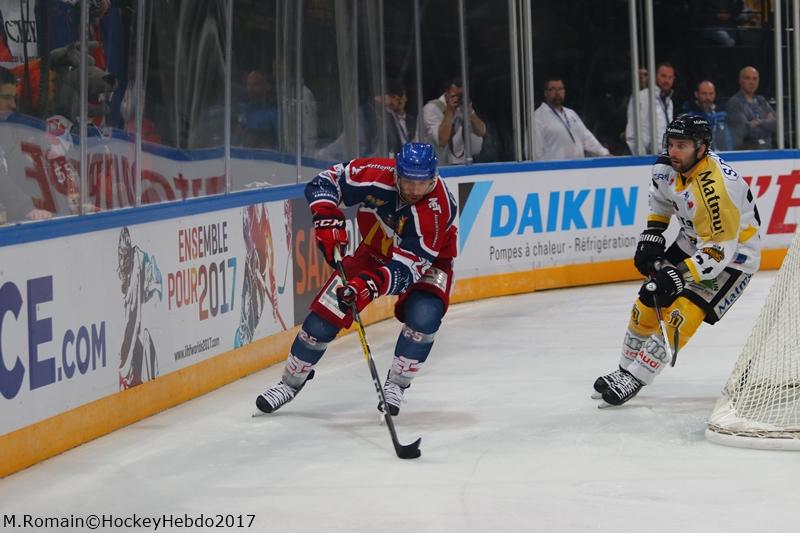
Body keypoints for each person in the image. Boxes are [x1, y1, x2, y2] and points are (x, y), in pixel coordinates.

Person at [255, 142, 457, 416]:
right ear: (397, 173)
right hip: (373, 252)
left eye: (421, 184)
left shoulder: (436, 210)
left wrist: (368, 287)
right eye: (408, 181)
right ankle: (290, 383)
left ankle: (397, 384)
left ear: (433, 179)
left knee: (424, 317)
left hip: (428, 263)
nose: (413, 190)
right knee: (321, 320)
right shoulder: (375, 173)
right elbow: (324, 182)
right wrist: (326, 216)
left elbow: (407, 271)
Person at [593, 115, 761, 406]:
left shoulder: (717, 188)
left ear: (702, 148)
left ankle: (636, 376)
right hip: (692, 241)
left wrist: (680, 275)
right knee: (649, 297)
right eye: (671, 143)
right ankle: (624, 370)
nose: (673, 151)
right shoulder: (665, 167)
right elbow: (660, 200)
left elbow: (719, 249)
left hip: (733, 257)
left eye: (682, 145)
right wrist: (653, 232)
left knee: (682, 313)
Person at [0, 65, 53, 223]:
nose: (13, 105)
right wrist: (26, 207)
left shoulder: (7, 132)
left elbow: (25, 173)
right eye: (6, 97)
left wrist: (67, 204)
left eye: (13, 98)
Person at [534, 77, 610, 161]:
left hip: (578, 166)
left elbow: (586, 137)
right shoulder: (538, 117)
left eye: (560, 89)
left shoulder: (571, 114)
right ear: (546, 93)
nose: (557, 93)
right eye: (553, 89)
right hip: (555, 167)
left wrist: (605, 154)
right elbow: (535, 152)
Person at [422, 78, 486, 165]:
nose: (459, 98)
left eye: (461, 95)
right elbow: (442, 141)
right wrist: (449, 111)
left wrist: (470, 113)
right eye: (456, 95)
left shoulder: (463, 107)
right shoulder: (431, 109)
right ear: (447, 92)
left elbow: (481, 132)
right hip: (436, 165)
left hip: (461, 163)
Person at [625, 62, 675, 155]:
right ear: (655, 76)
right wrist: (642, 157)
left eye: (670, 77)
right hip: (648, 157)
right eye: (663, 76)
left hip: (666, 156)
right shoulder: (641, 97)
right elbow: (632, 133)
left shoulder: (669, 102)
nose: (667, 80)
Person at [726, 66, 776, 150]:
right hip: (747, 151)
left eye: (755, 79)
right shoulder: (734, 103)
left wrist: (759, 122)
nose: (752, 82)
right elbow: (745, 131)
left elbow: (776, 124)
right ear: (740, 80)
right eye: (747, 78)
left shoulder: (761, 101)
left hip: (767, 150)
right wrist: (767, 125)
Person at [681, 79, 734, 151]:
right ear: (696, 94)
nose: (708, 98)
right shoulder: (688, 117)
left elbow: (728, 141)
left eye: (711, 94)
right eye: (704, 94)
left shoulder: (720, 116)